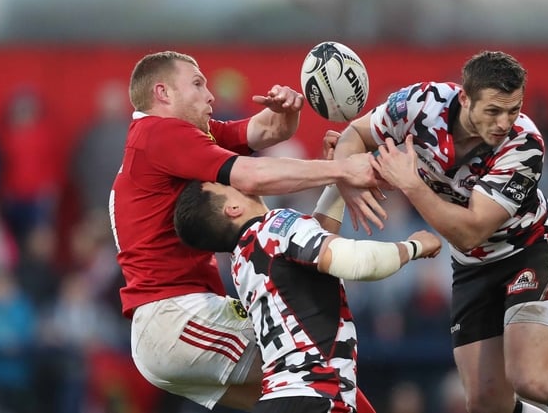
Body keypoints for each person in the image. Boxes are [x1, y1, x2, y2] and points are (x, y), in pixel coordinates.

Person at [331, 50, 548, 413]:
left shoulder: (525, 144)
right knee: (487, 402)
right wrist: (347, 180)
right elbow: (354, 134)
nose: (503, 122)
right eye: (493, 110)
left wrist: (412, 184)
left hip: (530, 250)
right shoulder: (420, 104)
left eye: (513, 110)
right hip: (472, 267)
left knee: (532, 378)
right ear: (465, 97)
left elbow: (471, 232)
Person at [108, 50, 379, 412]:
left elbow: (267, 131)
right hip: (178, 315)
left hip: (171, 326)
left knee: (304, 396)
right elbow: (250, 175)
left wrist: (286, 112)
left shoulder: (169, 140)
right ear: (163, 93)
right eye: (197, 83)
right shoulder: (160, 132)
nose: (210, 95)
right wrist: (343, 170)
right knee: (318, 366)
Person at [172, 179, 442, 412]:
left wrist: (338, 178)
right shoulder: (276, 225)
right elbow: (357, 261)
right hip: (315, 396)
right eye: (224, 184)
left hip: (281, 398)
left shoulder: (242, 259)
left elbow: (315, 244)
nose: (235, 179)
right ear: (233, 209)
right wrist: (414, 246)